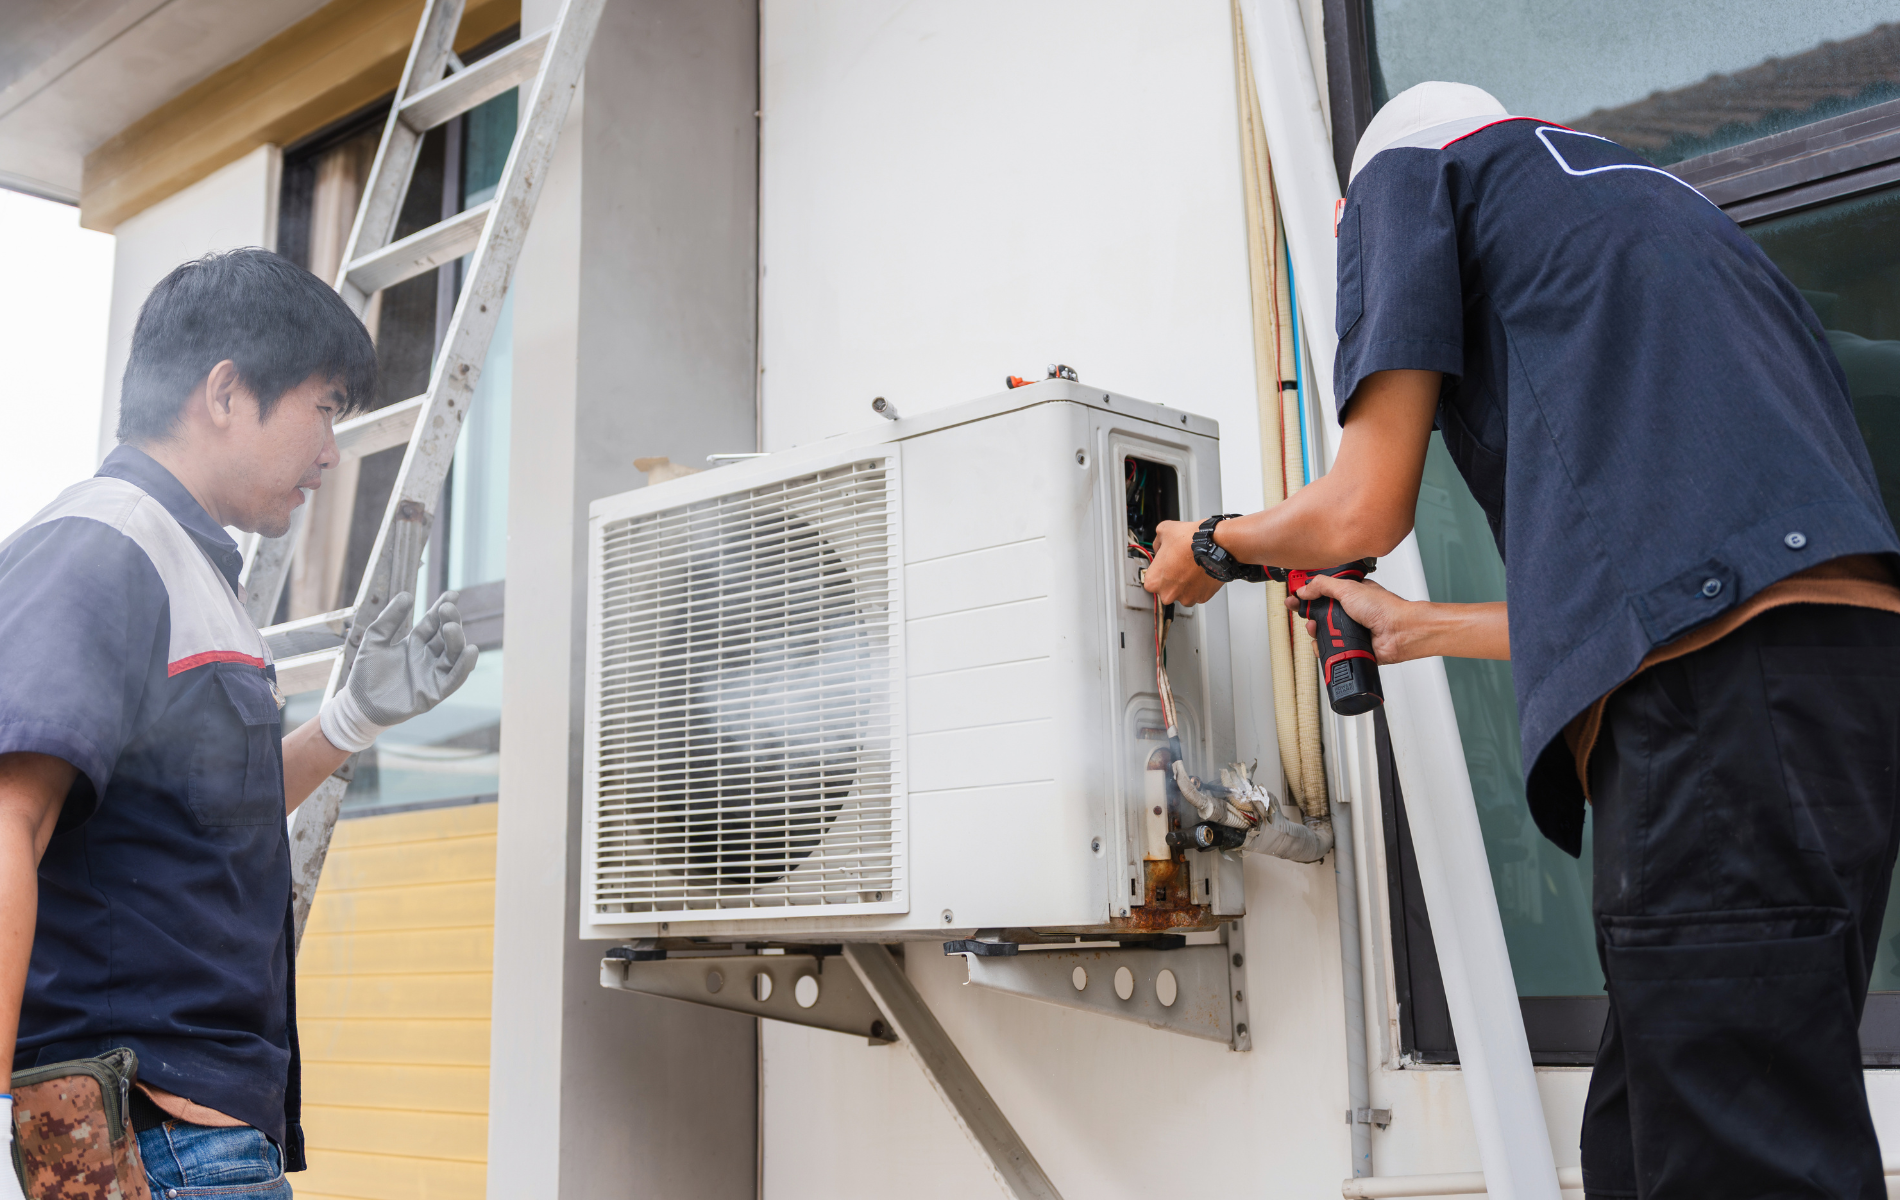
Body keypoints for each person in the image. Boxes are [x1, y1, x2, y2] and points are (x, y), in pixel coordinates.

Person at [1143, 82, 1900, 1199]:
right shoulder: (1668, 225)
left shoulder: (1417, 177)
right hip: (1825, 698)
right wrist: (1415, 627)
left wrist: (1206, 547)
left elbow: (1361, 510)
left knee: (1737, 1162)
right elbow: (1684, 579)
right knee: (1648, 1147)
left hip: (1720, 723)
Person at [0, 249, 479, 1198]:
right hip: (149, 1137)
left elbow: (201, 812)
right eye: (325, 407)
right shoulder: (106, 543)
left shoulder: (189, 568)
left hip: (192, 1138)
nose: (333, 451)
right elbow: (8, 820)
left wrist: (347, 720)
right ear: (225, 392)